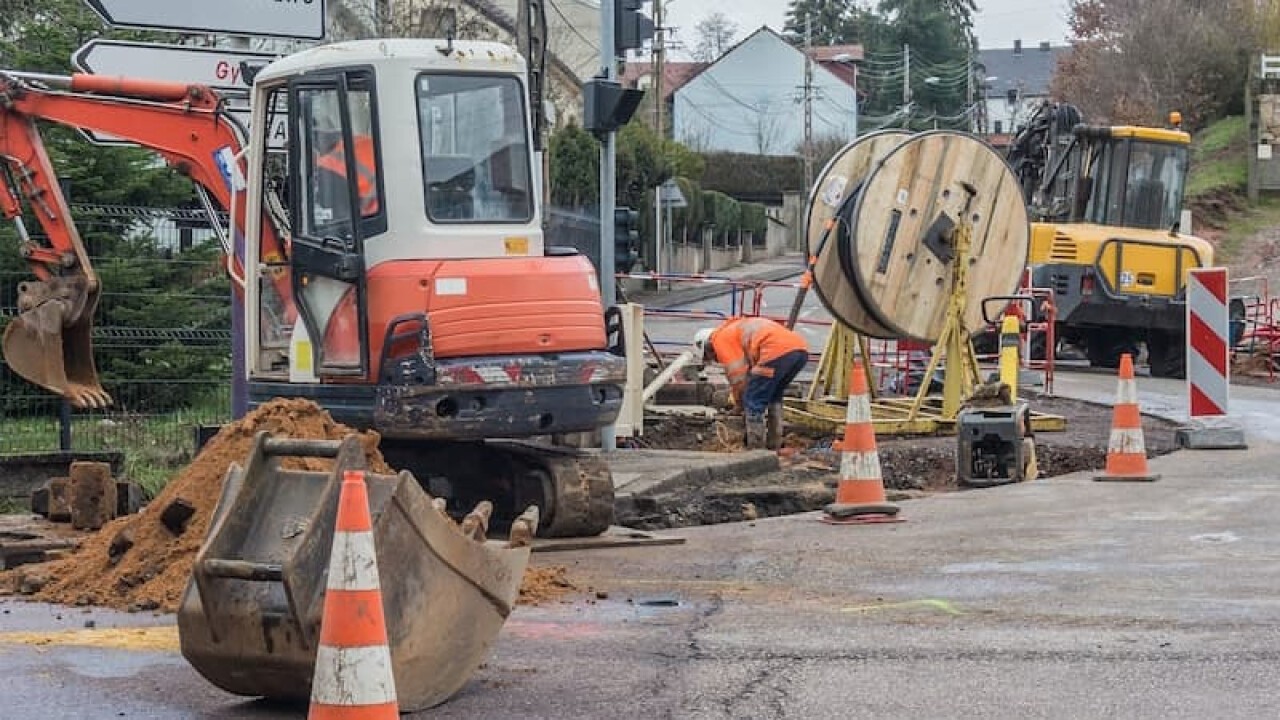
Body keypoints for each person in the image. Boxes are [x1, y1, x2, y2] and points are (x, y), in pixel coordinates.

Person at [693, 317, 809, 449]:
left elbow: (738, 379)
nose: (715, 360)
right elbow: (748, 373)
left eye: (710, 357)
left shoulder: (719, 340)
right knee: (774, 397)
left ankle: (756, 449)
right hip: (799, 350)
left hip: (774, 351)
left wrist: (740, 404)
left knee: (753, 400)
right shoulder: (733, 330)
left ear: (708, 346)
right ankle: (774, 443)